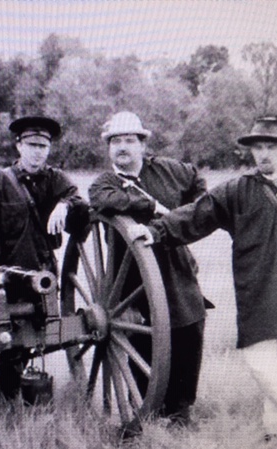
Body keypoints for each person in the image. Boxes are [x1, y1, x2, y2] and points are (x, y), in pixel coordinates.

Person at [130, 116, 277, 441]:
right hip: (254, 288)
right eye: (258, 148)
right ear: (251, 151)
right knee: (259, 358)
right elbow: (198, 213)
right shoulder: (238, 190)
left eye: (271, 147)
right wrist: (157, 231)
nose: (264, 154)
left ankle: (276, 431)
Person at [88, 111, 210, 431]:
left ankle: (180, 410)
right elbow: (101, 199)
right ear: (109, 148)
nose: (122, 147)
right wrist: (151, 206)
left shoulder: (169, 170)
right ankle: (149, 408)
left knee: (189, 329)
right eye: (115, 141)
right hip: (133, 278)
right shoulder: (106, 183)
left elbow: (198, 184)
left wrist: (189, 215)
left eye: (130, 140)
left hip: (175, 265)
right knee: (145, 341)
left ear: (143, 145)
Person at [0, 115, 89, 400]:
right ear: (19, 146)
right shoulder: (1, 182)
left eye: (43, 146)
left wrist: (64, 205)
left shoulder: (55, 179)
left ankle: (23, 395)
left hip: (43, 273)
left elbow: (80, 201)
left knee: (35, 336)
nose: (38, 152)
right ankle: (5, 395)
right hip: (8, 275)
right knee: (8, 342)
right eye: (32, 145)